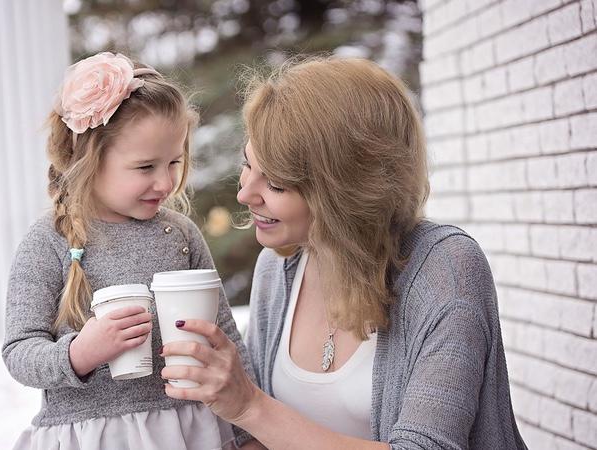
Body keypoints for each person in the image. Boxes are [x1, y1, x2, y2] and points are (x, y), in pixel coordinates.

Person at [160, 56, 528, 449]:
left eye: (278, 185)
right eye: (248, 166)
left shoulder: (446, 268)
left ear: (345, 190)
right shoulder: (278, 267)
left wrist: (250, 406)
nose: (245, 194)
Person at [2, 52, 254, 450]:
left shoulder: (180, 233)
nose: (166, 182)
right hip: (92, 435)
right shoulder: (51, 240)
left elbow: (226, 337)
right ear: (89, 159)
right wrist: (79, 354)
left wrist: (247, 431)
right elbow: (19, 351)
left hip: (188, 430)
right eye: (145, 167)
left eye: (174, 161)